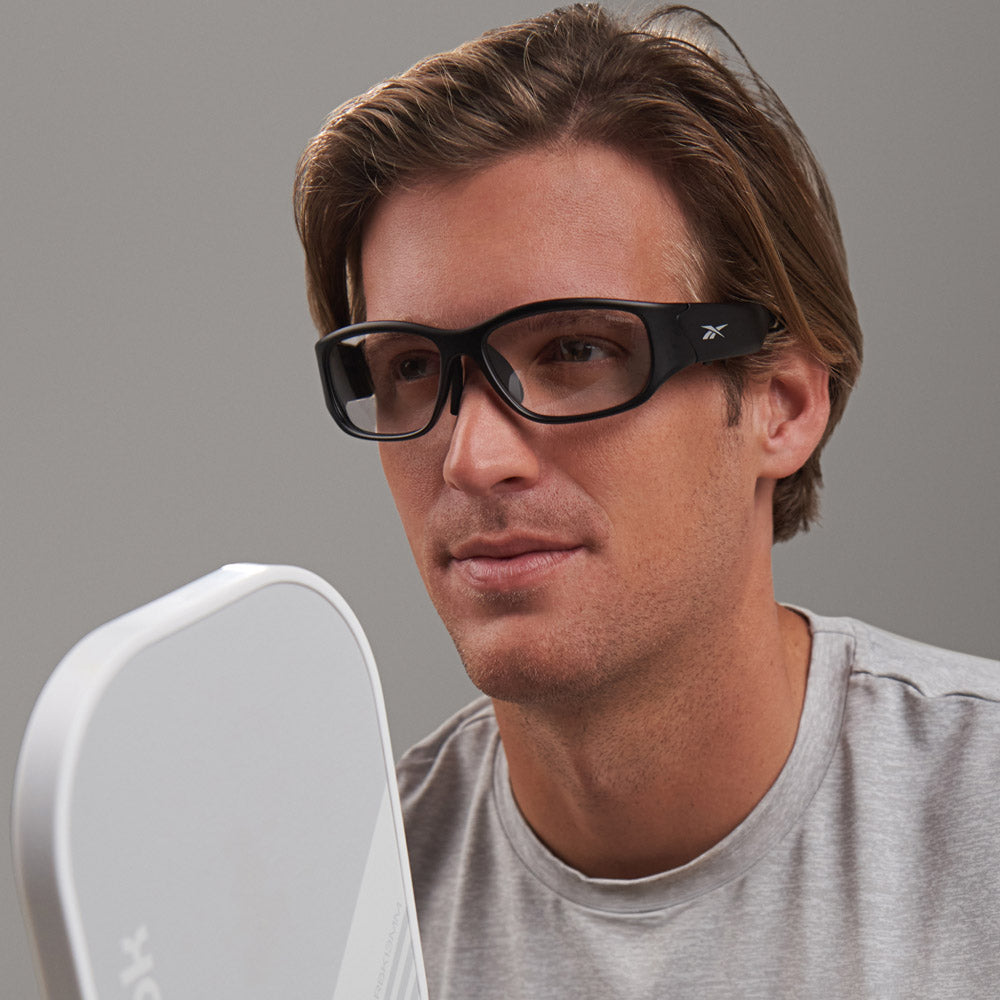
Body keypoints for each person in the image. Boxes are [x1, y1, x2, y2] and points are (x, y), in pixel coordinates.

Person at [294, 5, 999, 996]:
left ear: (780, 403)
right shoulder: (330, 933)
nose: (471, 456)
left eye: (574, 350)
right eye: (412, 366)